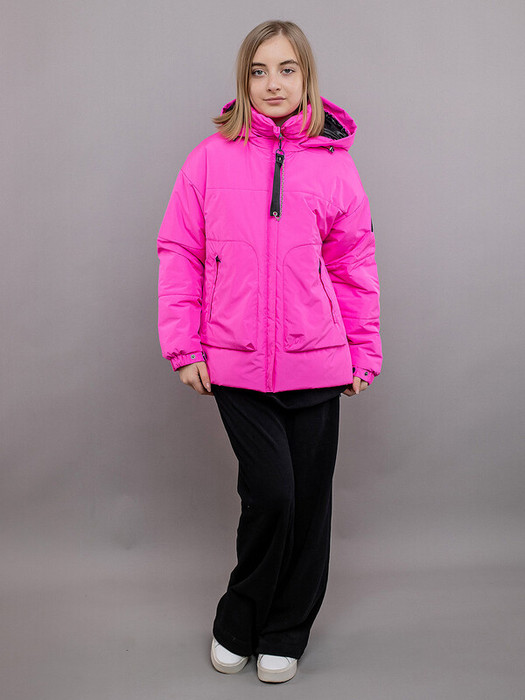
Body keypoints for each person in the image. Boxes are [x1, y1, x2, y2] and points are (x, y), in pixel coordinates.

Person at [157, 19, 382, 684]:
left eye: (286, 69)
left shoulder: (335, 166)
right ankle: (239, 620)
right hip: (234, 360)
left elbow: (353, 265)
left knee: (308, 505)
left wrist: (362, 351)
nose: (273, 83)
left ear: (306, 77)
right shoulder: (208, 160)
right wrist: (184, 346)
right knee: (272, 495)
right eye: (259, 70)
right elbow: (179, 251)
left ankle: (286, 631)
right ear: (244, 79)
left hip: (318, 358)